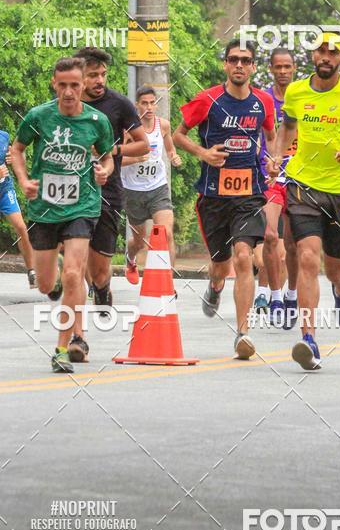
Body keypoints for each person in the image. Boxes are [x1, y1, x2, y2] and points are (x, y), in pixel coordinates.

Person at [271, 30, 340, 371]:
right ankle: (309, 339)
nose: (326, 57)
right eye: (320, 51)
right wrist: (277, 156)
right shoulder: (297, 92)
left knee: (335, 268)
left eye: (333, 53)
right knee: (306, 257)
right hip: (303, 184)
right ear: (312, 56)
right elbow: (287, 127)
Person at [173, 38, 276, 360]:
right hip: (213, 196)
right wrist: (202, 152)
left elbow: (270, 137)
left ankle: (242, 333)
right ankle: (215, 287)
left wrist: (271, 160)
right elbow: (176, 135)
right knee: (220, 265)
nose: (240, 66)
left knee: (244, 256)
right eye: (234, 60)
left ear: (254, 67)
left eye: (246, 60)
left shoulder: (263, 102)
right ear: (226, 65)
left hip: (249, 194)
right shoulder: (208, 99)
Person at [10, 57, 114, 373]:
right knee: (46, 285)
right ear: (54, 84)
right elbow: (17, 149)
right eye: (63, 85)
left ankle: (61, 349)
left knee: (73, 274)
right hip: (44, 209)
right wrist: (24, 180)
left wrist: (103, 172)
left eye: (75, 85)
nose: (69, 92)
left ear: (84, 86)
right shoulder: (38, 116)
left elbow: (108, 158)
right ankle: (53, 282)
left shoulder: (97, 121)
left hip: (82, 207)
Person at [72, 47, 149, 311]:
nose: (100, 81)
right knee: (75, 257)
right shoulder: (67, 105)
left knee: (100, 269)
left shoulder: (119, 104)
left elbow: (144, 146)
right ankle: (77, 319)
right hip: (73, 192)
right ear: (79, 77)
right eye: (93, 75)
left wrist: (113, 150)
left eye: (103, 74)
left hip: (107, 191)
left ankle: (101, 287)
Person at [255, 48, 299, 329]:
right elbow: (256, 135)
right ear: (271, 69)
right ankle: (274, 298)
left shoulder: (304, 97)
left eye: (287, 67)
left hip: (299, 177)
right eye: (278, 67)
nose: (283, 71)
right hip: (269, 176)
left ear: (294, 69)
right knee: (270, 236)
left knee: (293, 245)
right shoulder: (262, 99)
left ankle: (292, 296)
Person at [121, 85, 182, 283]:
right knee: (139, 242)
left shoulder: (163, 125)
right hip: (133, 190)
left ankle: (168, 282)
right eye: (144, 103)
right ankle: (130, 259)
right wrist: (137, 159)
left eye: (152, 103)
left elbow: (170, 148)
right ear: (137, 105)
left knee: (166, 233)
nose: (149, 107)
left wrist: (174, 157)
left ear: (156, 105)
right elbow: (116, 159)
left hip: (158, 188)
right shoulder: (129, 129)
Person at [0, 110, 36, 288]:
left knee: (21, 227)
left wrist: (11, 157)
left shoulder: (4, 136)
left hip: (5, 189)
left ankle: (31, 272)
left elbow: (15, 154)